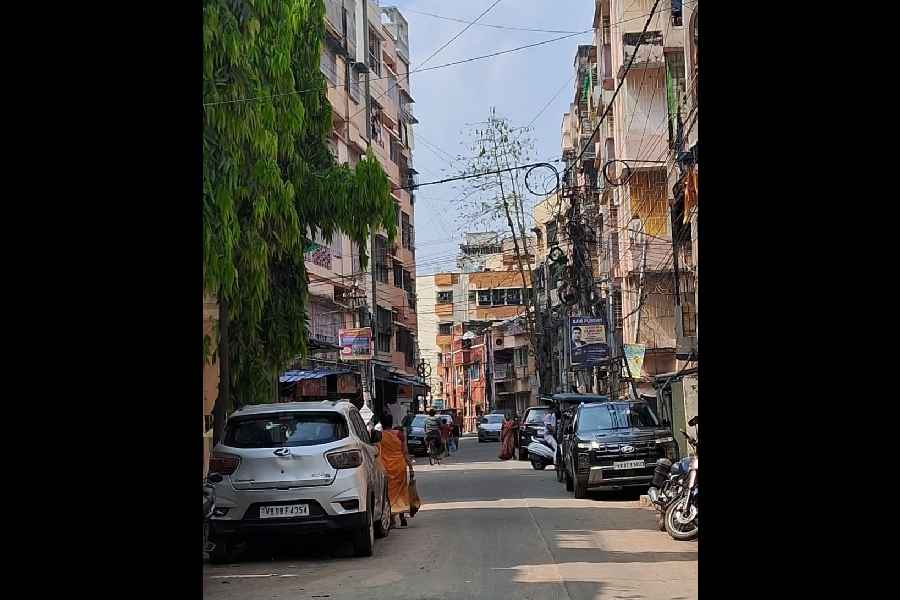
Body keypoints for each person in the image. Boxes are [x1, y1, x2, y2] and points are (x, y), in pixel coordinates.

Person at [377, 413, 411, 527]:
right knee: (401, 491)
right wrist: (410, 467)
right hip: (399, 466)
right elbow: (405, 451)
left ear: (381, 423)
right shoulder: (399, 434)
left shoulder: (379, 436)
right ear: (392, 422)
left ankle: (392, 518)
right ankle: (402, 517)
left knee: (388, 493)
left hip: (386, 467)